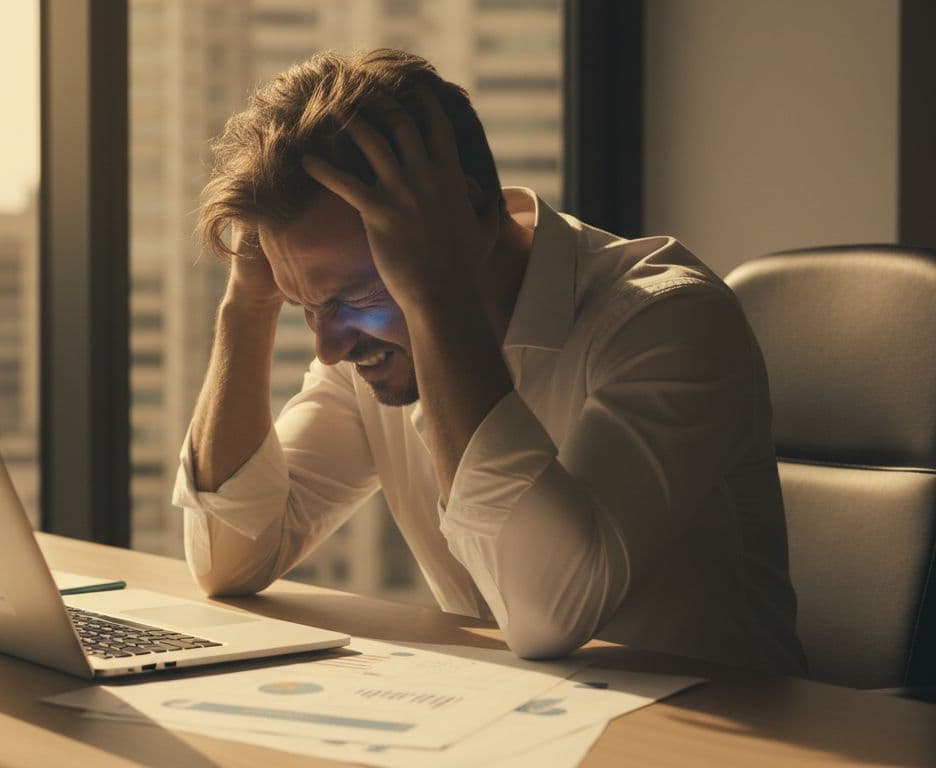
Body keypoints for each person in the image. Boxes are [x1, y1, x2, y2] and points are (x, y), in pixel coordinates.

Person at [170, 49, 807, 675]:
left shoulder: (666, 319)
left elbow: (544, 615)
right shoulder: (372, 345)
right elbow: (231, 560)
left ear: (463, 220)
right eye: (305, 305)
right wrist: (248, 306)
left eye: (356, 296)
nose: (330, 348)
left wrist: (434, 295)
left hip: (719, 729)